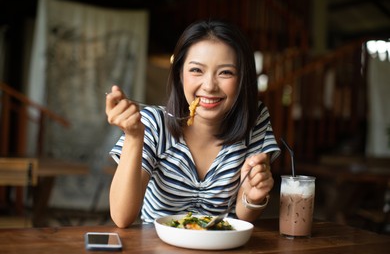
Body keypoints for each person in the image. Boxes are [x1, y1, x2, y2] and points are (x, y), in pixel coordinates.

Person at [106, 19, 280, 228]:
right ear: (180, 74)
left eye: (226, 72)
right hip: (157, 248)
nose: (209, 86)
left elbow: (244, 216)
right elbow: (122, 217)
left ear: (243, 77)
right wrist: (134, 136)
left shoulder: (255, 120)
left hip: (223, 249)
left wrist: (253, 197)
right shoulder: (153, 123)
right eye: (197, 70)